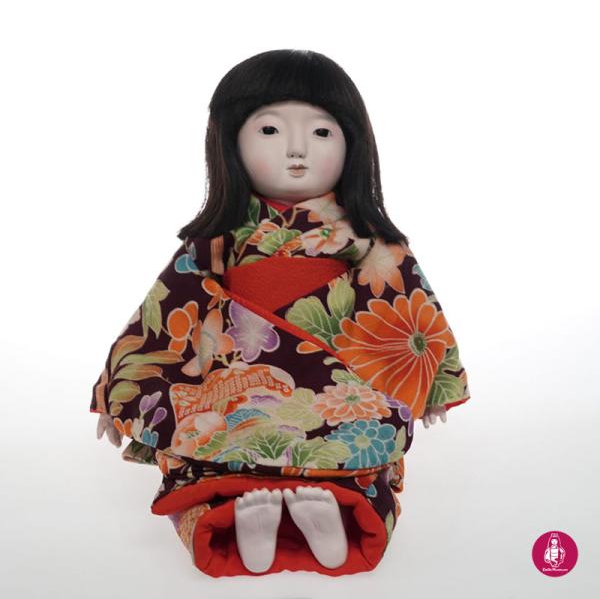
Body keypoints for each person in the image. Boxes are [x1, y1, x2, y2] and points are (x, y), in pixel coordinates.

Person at [93, 49, 470, 577]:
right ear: (230, 143)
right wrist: (121, 388)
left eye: (321, 132)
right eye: (269, 130)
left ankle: (331, 515)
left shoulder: (368, 241)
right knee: (201, 443)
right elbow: (169, 307)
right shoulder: (216, 241)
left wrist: (434, 383)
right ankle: (244, 518)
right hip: (233, 380)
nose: (297, 149)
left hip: (341, 385)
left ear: (353, 143)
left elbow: (409, 308)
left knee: (364, 442)